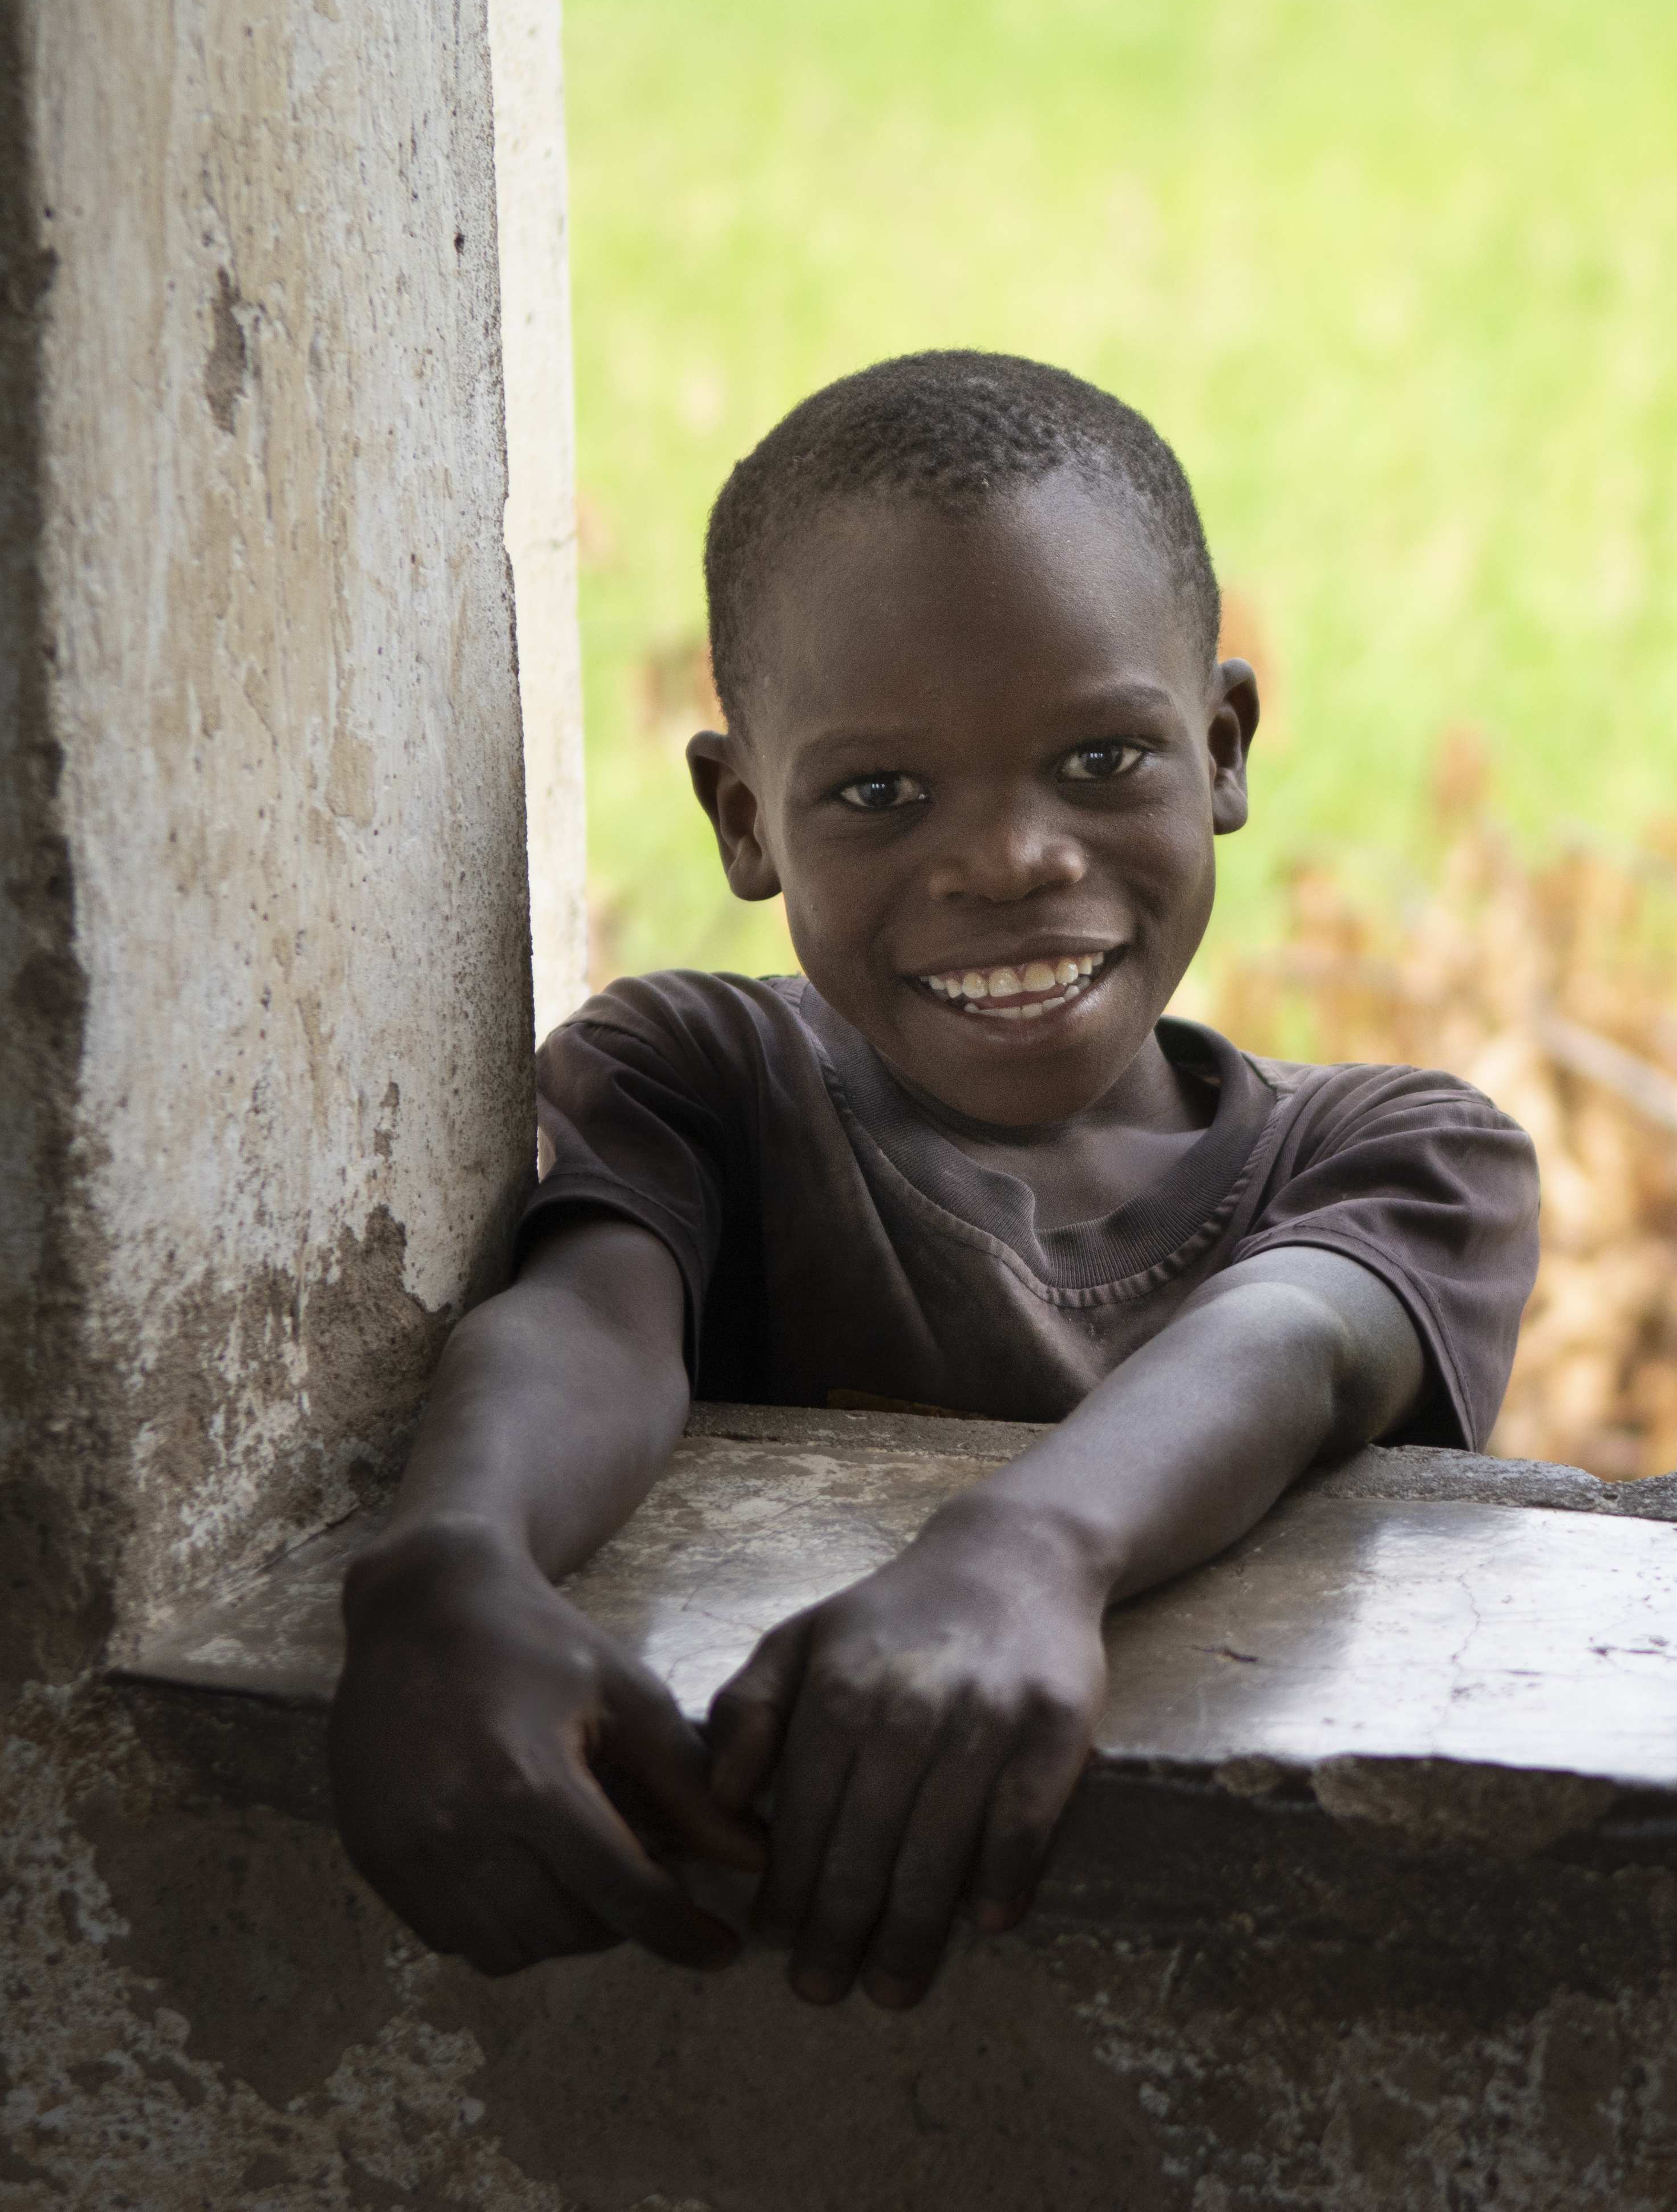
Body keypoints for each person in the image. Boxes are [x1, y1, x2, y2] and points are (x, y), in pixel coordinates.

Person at [330, 352, 1538, 2007]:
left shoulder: (1403, 1154)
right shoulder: (705, 1076)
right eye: (882, 793)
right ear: (745, 818)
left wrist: (1031, 1553)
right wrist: (450, 1554)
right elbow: (589, 1326)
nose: (1010, 859)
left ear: (1229, 747)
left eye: (1104, 762)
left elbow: (1297, 1346)